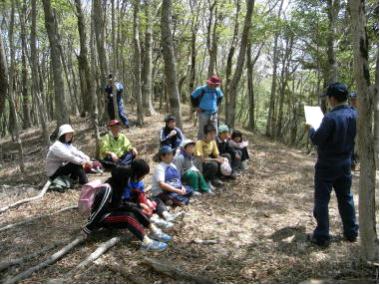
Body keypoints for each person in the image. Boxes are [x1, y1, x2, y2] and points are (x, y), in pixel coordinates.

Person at [307, 82, 359, 247]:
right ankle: (351, 232)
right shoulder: (354, 114)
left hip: (327, 165)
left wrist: (311, 128)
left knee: (322, 199)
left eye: (328, 98)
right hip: (345, 163)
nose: (328, 101)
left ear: (332, 98)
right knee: (346, 198)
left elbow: (317, 139)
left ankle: (322, 235)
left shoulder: (330, 117)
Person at [83, 163, 171, 252]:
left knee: (134, 209)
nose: (130, 181)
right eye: (128, 178)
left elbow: (120, 204)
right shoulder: (107, 189)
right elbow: (98, 211)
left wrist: (137, 206)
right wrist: (87, 229)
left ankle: (154, 230)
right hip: (102, 218)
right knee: (128, 217)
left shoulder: (118, 187)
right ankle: (146, 242)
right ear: (123, 178)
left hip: (111, 212)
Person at [194, 124, 228, 189]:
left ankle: (215, 178)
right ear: (205, 134)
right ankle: (205, 181)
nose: (213, 136)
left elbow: (217, 154)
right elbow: (202, 159)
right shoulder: (199, 143)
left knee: (224, 158)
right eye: (211, 134)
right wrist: (215, 159)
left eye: (214, 134)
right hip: (198, 164)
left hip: (207, 162)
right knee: (214, 164)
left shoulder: (213, 142)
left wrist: (223, 159)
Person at [191, 75, 223, 139]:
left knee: (215, 130)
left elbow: (221, 97)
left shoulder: (217, 90)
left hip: (214, 113)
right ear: (209, 83)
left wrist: (217, 105)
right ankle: (200, 145)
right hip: (203, 113)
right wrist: (196, 107)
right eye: (213, 84)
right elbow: (192, 96)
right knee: (202, 130)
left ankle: (213, 145)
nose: (215, 86)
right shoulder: (201, 89)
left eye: (216, 85)